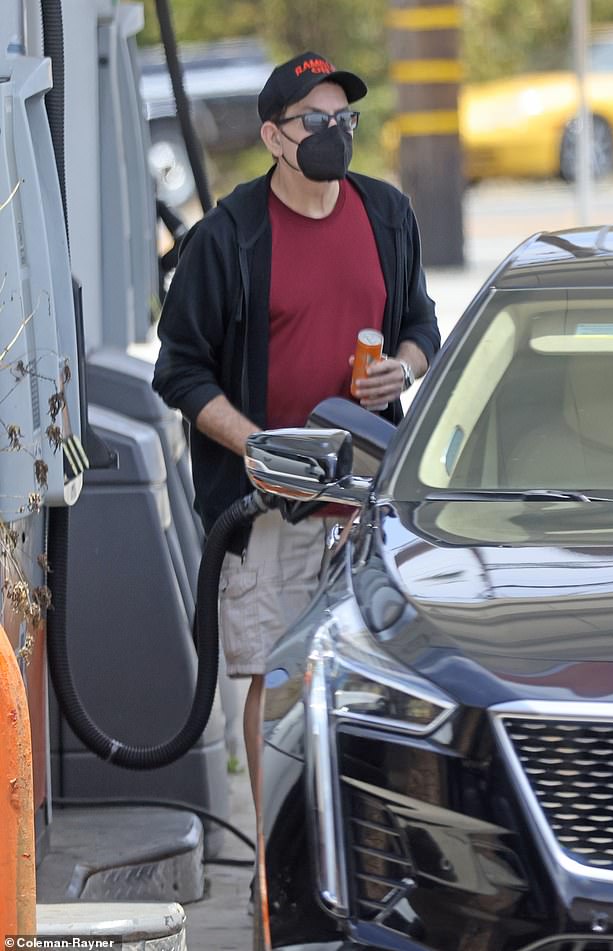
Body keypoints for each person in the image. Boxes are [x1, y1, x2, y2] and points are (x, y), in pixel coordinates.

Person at [152, 50, 441, 809]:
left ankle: (358, 836)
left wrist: (402, 370)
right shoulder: (228, 237)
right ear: (275, 137)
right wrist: (257, 446)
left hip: (366, 498)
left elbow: (420, 323)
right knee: (272, 676)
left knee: (376, 679)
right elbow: (179, 371)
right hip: (267, 507)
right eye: (317, 121)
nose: (336, 133)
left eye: (346, 118)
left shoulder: (387, 213)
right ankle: (273, 864)